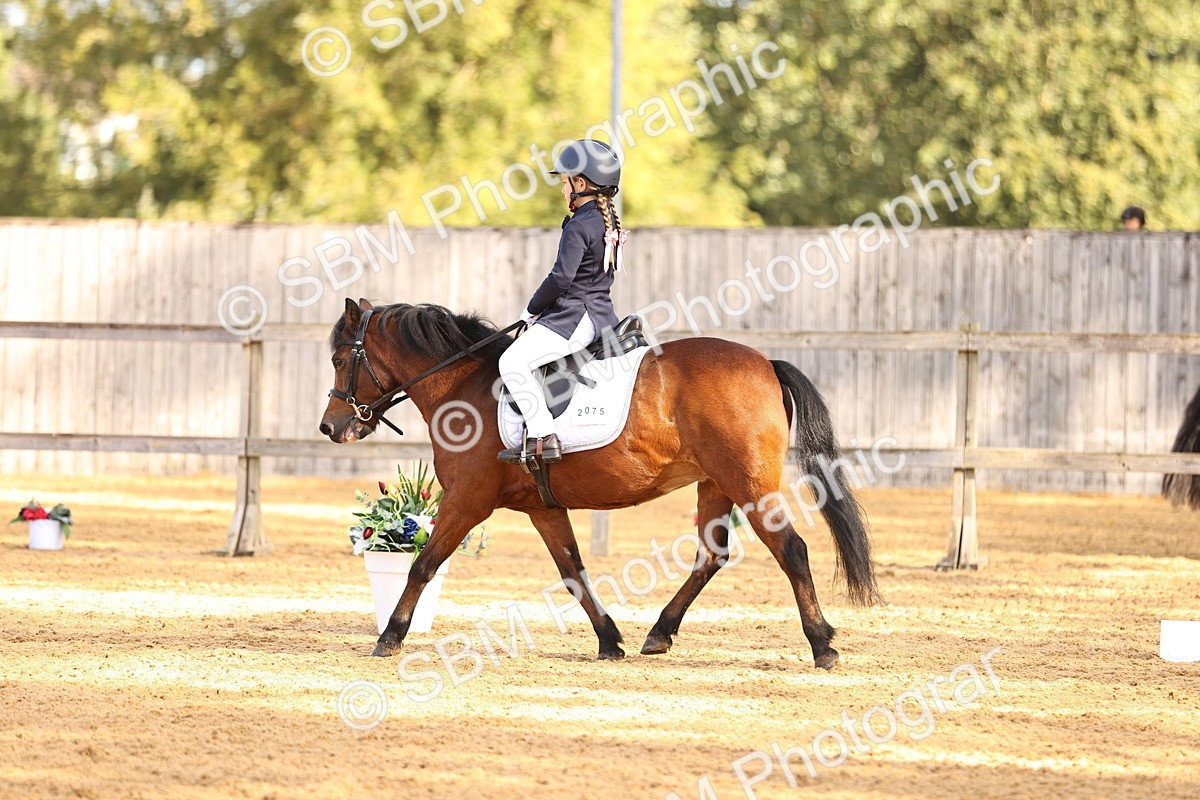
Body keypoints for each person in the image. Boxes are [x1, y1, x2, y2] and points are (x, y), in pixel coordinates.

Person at [497, 139, 627, 464]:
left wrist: (531, 310)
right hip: (602, 316)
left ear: (580, 183)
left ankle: (542, 435)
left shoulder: (580, 225)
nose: (561, 188)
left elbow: (561, 279)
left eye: (564, 181)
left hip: (571, 318)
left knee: (510, 363)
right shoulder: (606, 221)